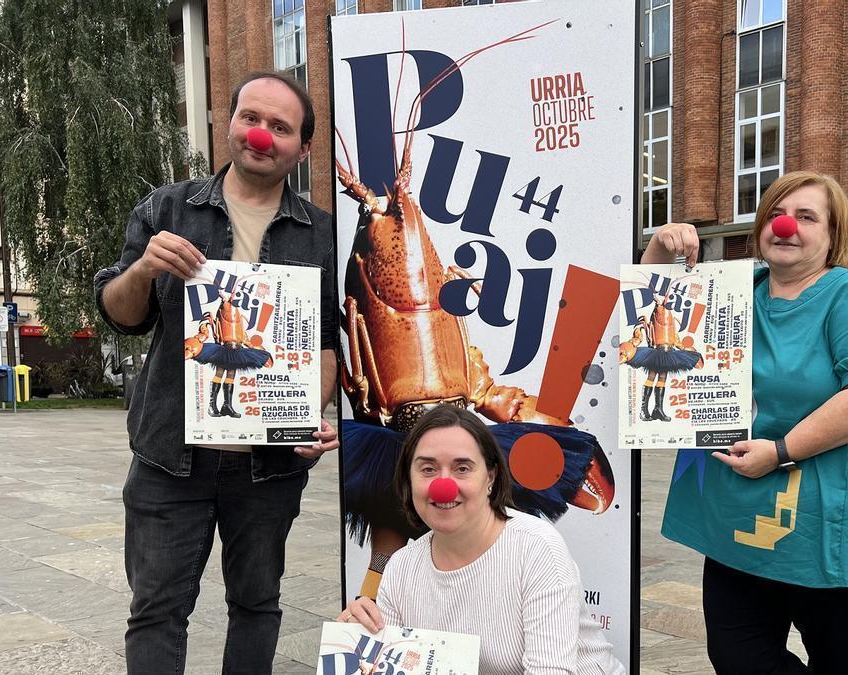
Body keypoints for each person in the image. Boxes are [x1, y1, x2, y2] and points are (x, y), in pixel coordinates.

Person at [94, 71, 340, 675]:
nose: (261, 135)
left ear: (303, 147)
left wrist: (309, 412)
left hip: (269, 463)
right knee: (156, 610)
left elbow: (328, 346)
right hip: (168, 459)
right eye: (250, 118)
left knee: (257, 605)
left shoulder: (324, 234)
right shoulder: (168, 209)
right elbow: (120, 315)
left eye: (280, 127)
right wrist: (145, 270)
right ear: (229, 122)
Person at [646, 171, 848, 675]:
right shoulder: (734, 292)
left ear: (832, 235)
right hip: (739, 512)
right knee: (736, 655)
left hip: (832, 513)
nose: (786, 225)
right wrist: (659, 251)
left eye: (806, 217)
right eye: (778, 212)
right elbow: (650, 329)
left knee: (842, 663)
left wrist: (780, 450)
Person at [337, 405, 625, 675]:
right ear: (408, 480)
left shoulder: (536, 549)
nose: (443, 487)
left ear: (491, 477)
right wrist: (359, 645)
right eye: (428, 469)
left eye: (462, 468)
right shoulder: (401, 568)